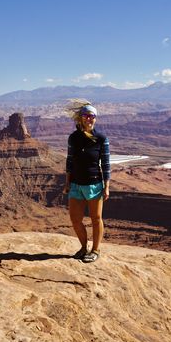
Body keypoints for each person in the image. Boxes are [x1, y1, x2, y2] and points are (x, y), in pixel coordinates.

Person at [64, 100, 110, 262]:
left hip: (94, 184)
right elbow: (69, 161)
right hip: (76, 185)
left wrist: (106, 186)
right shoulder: (73, 138)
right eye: (86, 115)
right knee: (75, 219)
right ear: (80, 118)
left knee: (96, 219)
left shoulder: (101, 139)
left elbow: (105, 164)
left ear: (95, 118)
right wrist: (67, 182)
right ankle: (84, 248)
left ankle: (95, 250)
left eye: (92, 116)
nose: (89, 119)